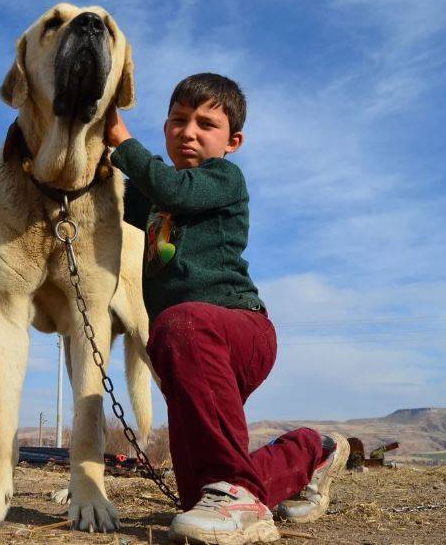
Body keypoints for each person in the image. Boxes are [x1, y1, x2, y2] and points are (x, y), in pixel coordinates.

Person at [106, 73, 350, 545]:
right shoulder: (149, 193)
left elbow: (172, 190)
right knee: (201, 498)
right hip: (186, 351)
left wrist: (121, 138)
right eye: (178, 120)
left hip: (238, 328)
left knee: (181, 323)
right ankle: (311, 453)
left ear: (233, 141)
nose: (188, 132)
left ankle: (241, 499)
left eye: (205, 123)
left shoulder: (222, 179)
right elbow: (110, 193)